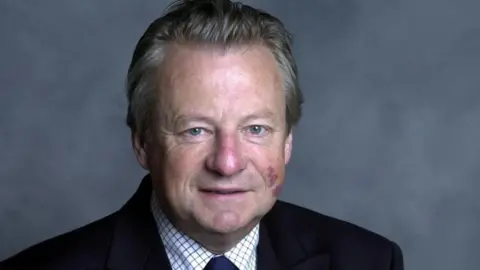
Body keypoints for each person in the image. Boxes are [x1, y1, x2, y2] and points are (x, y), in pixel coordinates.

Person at [0, 0, 404, 269]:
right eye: (195, 130)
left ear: (287, 143)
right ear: (142, 142)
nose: (227, 162)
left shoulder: (369, 261)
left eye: (256, 129)